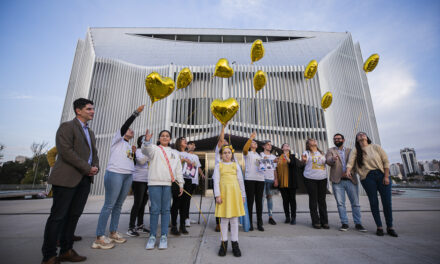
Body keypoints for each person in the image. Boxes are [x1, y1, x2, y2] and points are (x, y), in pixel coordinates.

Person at [41, 98, 99, 264]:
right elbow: (66, 152)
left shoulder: (91, 132)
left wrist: (95, 166)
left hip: (84, 180)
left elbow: (93, 154)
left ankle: (66, 250)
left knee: (73, 216)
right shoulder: (67, 127)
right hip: (67, 179)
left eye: (92, 109)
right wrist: (87, 168)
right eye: (89, 109)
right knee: (58, 217)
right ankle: (49, 256)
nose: (92, 111)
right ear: (78, 111)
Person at [93, 105, 145, 249]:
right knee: (109, 204)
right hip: (115, 173)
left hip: (128, 176)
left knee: (118, 205)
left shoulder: (129, 146)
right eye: (129, 130)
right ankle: (99, 236)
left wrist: (134, 153)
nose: (131, 130)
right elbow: (125, 126)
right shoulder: (117, 139)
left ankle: (113, 232)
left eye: (131, 130)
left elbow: (133, 163)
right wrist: (136, 114)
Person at [346, 132, 398, 237]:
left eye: (363, 134)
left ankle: (390, 227)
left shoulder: (375, 147)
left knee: (387, 203)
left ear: (367, 137)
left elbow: (386, 162)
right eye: (359, 135)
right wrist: (348, 170)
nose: (361, 135)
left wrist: (386, 176)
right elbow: (350, 162)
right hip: (367, 178)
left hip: (381, 175)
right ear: (357, 139)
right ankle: (379, 227)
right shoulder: (356, 151)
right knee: (374, 202)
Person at [142, 129, 184, 250]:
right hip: (154, 182)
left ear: (170, 139)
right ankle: (152, 237)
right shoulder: (154, 148)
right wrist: (147, 141)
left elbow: (178, 169)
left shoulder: (175, 153)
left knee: (166, 210)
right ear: (159, 138)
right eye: (162, 136)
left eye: (167, 136)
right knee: (154, 210)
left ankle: (164, 236)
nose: (165, 137)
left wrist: (180, 184)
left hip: (168, 184)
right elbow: (145, 150)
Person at [326, 133, 367, 232]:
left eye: (339, 138)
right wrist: (333, 159)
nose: (337, 140)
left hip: (350, 180)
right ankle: (344, 223)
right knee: (340, 204)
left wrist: (350, 173)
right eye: (335, 138)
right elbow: (328, 161)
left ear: (343, 140)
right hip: (337, 181)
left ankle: (358, 223)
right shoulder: (331, 150)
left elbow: (355, 164)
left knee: (355, 203)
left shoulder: (351, 151)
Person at [46, 146, 83, 244]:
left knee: (71, 211)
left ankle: (68, 234)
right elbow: (50, 153)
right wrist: (54, 166)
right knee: (61, 212)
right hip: (62, 179)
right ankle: (57, 238)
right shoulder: (65, 143)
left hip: (73, 179)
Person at [214, 145, 246, 257]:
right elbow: (216, 181)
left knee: (234, 220)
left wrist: (243, 195)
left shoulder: (235, 165)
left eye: (228, 152)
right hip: (224, 194)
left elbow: (240, 181)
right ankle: (223, 244)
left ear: (231, 154)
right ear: (221, 155)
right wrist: (217, 195)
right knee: (223, 220)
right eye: (224, 153)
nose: (227, 154)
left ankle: (235, 244)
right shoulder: (219, 166)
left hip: (234, 194)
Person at [301, 138, 329, 229]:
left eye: (315, 140)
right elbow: (303, 162)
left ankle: (324, 221)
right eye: (312, 140)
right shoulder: (306, 153)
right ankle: (315, 221)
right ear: (308, 144)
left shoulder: (322, 153)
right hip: (310, 179)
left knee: (322, 200)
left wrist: (332, 159)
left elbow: (327, 162)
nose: (314, 141)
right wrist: (304, 160)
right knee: (313, 200)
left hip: (322, 178)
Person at [127, 135, 150, 237]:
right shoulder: (138, 151)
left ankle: (140, 225)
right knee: (137, 203)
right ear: (141, 142)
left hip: (147, 180)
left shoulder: (148, 151)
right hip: (138, 180)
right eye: (146, 140)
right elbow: (141, 161)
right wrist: (149, 154)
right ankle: (131, 227)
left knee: (143, 204)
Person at [276, 143, 303, 225]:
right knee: (285, 200)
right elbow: (275, 168)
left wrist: (286, 158)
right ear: (282, 148)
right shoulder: (278, 158)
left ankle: (293, 217)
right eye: (285, 145)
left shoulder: (292, 156)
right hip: (282, 182)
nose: (287, 146)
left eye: (288, 145)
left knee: (292, 200)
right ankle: (287, 217)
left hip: (291, 182)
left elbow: (292, 164)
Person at [242, 132, 265, 231]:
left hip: (260, 179)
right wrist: (250, 138)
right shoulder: (247, 154)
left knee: (259, 202)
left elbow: (264, 167)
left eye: (255, 142)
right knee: (250, 202)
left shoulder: (260, 155)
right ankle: (250, 223)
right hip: (250, 179)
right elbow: (244, 149)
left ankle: (260, 223)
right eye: (252, 142)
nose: (254, 143)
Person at [170, 137, 192, 235]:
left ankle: (182, 225)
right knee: (176, 203)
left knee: (185, 204)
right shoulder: (174, 151)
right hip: (177, 180)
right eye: (183, 139)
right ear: (179, 142)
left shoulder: (189, 154)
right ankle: (174, 225)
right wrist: (182, 160)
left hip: (188, 179)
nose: (185, 141)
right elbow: (172, 163)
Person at [183, 141, 205, 227]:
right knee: (186, 200)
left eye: (194, 145)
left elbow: (198, 167)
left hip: (193, 180)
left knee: (188, 199)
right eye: (191, 144)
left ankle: (186, 217)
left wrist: (202, 174)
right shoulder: (184, 154)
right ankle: (185, 218)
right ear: (187, 145)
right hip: (186, 179)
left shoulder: (195, 156)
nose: (193, 146)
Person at [259, 140, 278, 226]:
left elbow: (274, 169)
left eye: (270, 145)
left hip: (271, 179)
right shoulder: (260, 155)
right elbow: (259, 167)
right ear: (264, 146)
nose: (270, 146)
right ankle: (260, 218)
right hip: (262, 179)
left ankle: (270, 217)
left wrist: (276, 179)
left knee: (270, 198)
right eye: (268, 145)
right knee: (262, 198)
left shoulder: (274, 156)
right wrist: (267, 161)